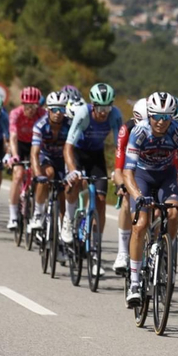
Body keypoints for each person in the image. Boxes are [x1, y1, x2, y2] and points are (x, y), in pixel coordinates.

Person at [122, 92, 178, 308]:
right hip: (142, 176)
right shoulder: (139, 132)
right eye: (156, 116)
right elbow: (128, 172)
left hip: (167, 176)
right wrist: (138, 196)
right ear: (149, 115)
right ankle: (135, 283)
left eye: (166, 117)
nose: (160, 121)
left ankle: (168, 251)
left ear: (172, 117)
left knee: (174, 212)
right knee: (140, 225)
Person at [64, 82, 122, 243]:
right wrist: (72, 170)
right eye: (100, 107)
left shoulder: (115, 115)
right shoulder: (83, 113)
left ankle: (96, 243)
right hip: (78, 152)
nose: (103, 112)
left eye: (107, 107)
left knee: (101, 200)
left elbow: (120, 147)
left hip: (96, 155)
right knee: (74, 183)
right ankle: (68, 220)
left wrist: (118, 169)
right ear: (93, 105)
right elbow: (68, 146)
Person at [29, 92, 72, 235]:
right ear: (48, 109)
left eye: (62, 109)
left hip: (63, 159)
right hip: (45, 157)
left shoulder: (70, 125)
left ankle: (61, 235)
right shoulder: (40, 125)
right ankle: (38, 213)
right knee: (47, 174)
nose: (58, 113)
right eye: (54, 109)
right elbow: (34, 153)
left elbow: (75, 150)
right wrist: (38, 175)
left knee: (64, 196)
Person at [112, 97, 146, 274]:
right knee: (126, 197)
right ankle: (123, 252)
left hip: (152, 172)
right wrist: (121, 185)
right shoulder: (127, 129)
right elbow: (119, 167)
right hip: (130, 169)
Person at [7, 87, 45, 231]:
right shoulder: (15, 114)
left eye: (34, 106)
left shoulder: (43, 114)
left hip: (36, 145)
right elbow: (13, 137)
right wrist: (14, 155)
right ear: (22, 104)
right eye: (27, 106)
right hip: (20, 145)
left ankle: (35, 209)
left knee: (38, 175)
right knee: (18, 175)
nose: (30, 110)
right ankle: (13, 216)